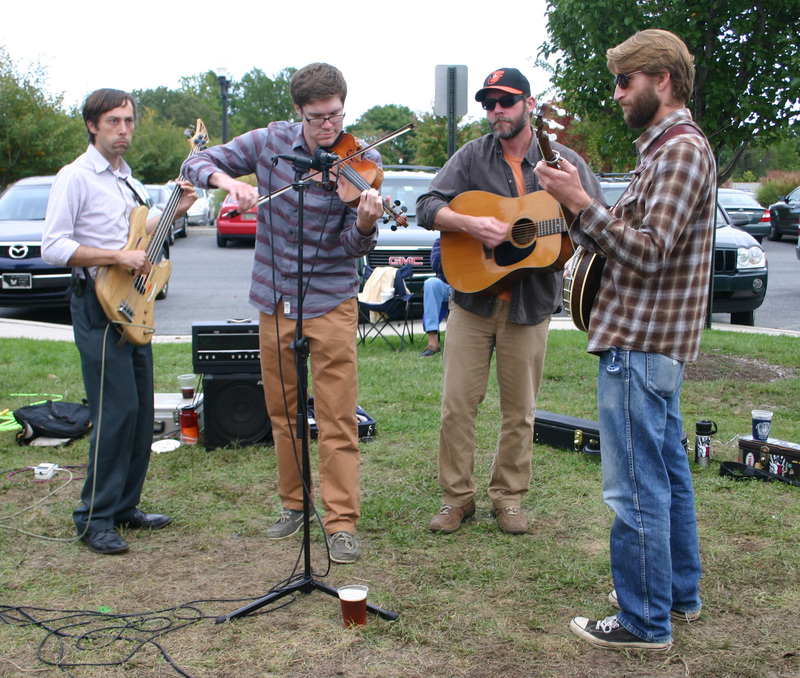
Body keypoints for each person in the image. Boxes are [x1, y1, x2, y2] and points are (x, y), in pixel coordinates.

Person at [535, 30, 715, 651]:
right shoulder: (663, 151)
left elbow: (648, 252)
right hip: (648, 341)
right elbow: (627, 235)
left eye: (625, 80)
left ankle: (643, 621)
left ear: (661, 80)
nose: (616, 93)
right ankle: (675, 593)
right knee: (666, 473)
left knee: (634, 484)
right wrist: (578, 203)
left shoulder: (681, 152)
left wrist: (581, 203)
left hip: (642, 341)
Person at [181, 63, 384, 564]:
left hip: (331, 300)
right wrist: (228, 182)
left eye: (336, 115)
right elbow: (196, 163)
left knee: (337, 416)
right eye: (317, 118)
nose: (328, 126)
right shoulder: (268, 143)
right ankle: (294, 503)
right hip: (275, 300)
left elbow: (353, 245)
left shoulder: (361, 160)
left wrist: (364, 224)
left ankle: (340, 523)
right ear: (298, 111)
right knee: (283, 411)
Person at [417, 68, 604, 535]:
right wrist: (469, 224)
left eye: (505, 101)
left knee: (520, 411)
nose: (496, 110)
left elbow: (597, 215)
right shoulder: (472, 156)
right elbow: (426, 205)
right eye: (488, 103)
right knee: (457, 406)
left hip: (530, 306)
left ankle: (509, 498)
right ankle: (456, 499)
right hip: (472, 302)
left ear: (529, 104)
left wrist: (573, 219)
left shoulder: (563, 161)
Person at [42, 88, 197, 555]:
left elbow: (137, 232)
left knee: (141, 411)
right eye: (113, 121)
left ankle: (125, 506)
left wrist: (176, 211)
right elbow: (53, 247)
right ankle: (94, 518)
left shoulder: (129, 181)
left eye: (129, 121)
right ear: (93, 126)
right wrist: (115, 256)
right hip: (97, 302)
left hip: (133, 304)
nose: (124, 130)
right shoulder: (75, 177)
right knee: (115, 411)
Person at [419, 236, 450, 357]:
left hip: (468, 285)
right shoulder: (440, 240)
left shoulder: (472, 238)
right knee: (431, 283)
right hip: (446, 286)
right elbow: (436, 264)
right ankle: (433, 344)